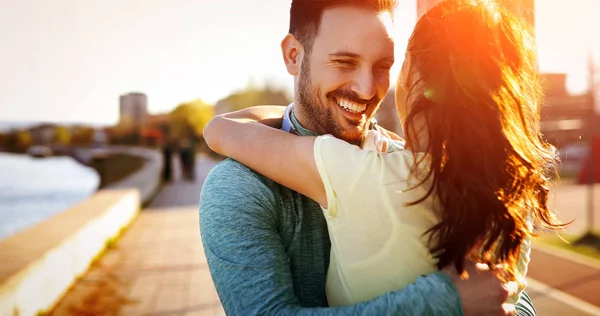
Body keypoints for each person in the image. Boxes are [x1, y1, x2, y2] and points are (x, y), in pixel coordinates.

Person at [199, 0, 541, 315]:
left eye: (383, 66)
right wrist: (443, 301)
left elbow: (505, 295)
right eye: (344, 62)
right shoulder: (239, 186)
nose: (366, 89)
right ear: (292, 56)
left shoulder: (400, 160)